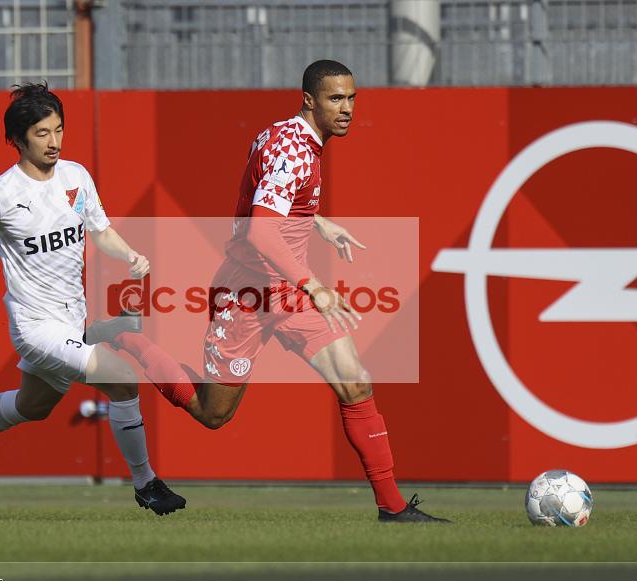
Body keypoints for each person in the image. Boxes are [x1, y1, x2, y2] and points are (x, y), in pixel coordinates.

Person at [87, 61, 449, 523]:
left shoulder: (283, 137)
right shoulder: (295, 150)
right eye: (336, 99)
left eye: (352, 98)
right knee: (213, 413)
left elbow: (271, 199)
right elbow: (261, 232)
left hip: (286, 288)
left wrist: (316, 223)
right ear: (309, 100)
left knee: (355, 382)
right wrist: (314, 285)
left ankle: (392, 508)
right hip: (247, 293)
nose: (347, 109)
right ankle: (126, 336)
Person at [0, 83, 186, 516]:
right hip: (35, 328)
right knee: (121, 377)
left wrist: (127, 253)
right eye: (42, 133)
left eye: (58, 129)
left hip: (72, 322)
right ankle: (146, 483)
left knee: (31, 407)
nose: (54, 141)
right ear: (18, 140)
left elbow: (100, 231)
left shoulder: (76, 177)